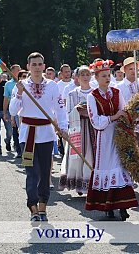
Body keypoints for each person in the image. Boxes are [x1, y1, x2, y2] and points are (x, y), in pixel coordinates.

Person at [10, 52, 68, 222]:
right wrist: (19, 94)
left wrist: (63, 127)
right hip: (27, 135)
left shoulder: (52, 86)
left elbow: (60, 109)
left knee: (45, 172)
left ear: (44, 66)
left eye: (39, 64)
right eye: (33, 64)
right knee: (31, 173)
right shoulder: (20, 86)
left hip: (46, 134)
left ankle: (43, 206)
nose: (36, 67)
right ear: (28, 67)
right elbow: (13, 111)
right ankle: (32, 207)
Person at [85, 59, 138, 220]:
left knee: (119, 166)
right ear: (96, 78)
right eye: (103, 76)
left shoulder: (116, 92)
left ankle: (122, 206)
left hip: (119, 134)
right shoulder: (92, 96)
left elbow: (124, 110)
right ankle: (107, 206)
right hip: (104, 137)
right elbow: (95, 121)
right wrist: (113, 117)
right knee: (107, 166)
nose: (107, 78)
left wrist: (127, 121)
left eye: (108, 75)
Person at [116, 57, 139, 198]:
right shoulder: (118, 87)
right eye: (130, 69)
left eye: (135, 69)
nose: (133, 72)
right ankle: (128, 184)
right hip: (127, 127)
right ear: (124, 70)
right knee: (128, 155)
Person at [59, 66, 95, 195]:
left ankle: (91, 182)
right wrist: (77, 110)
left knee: (92, 154)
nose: (85, 77)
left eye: (87, 74)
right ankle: (79, 183)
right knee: (78, 156)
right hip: (78, 128)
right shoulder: (72, 93)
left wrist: (89, 112)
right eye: (82, 74)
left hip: (93, 127)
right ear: (77, 77)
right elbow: (68, 112)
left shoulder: (95, 92)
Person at [3, 64, 22, 157]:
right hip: (13, 109)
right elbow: (6, 99)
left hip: (23, 111)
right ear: (12, 72)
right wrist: (5, 112)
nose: (20, 71)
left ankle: (22, 149)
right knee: (14, 130)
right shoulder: (8, 84)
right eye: (18, 70)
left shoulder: (25, 83)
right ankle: (18, 149)